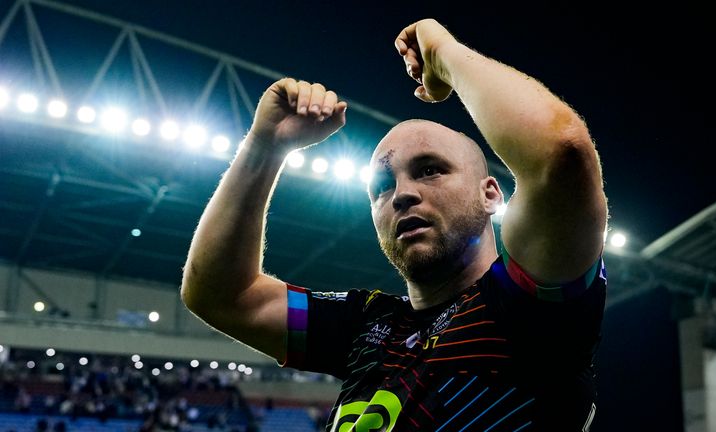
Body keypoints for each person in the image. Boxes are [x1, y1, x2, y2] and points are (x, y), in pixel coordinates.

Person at [182, 18, 607, 431]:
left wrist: (445, 53)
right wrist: (265, 146)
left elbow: (561, 153)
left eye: (429, 170)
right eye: (382, 186)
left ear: (491, 194)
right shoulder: (367, 325)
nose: (400, 194)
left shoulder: (528, 308)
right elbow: (222, 294)